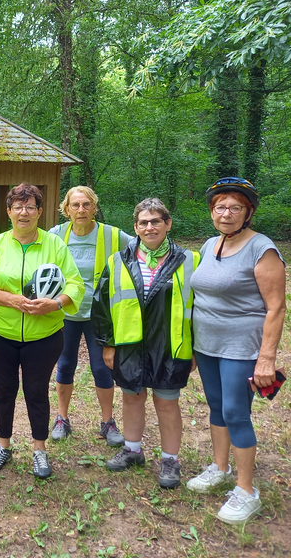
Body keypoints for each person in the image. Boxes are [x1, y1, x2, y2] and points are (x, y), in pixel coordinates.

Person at [187, 177, 286, 524]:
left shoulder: (262, 248)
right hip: (208, 344)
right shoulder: (211, 243)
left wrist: (267, 357)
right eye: (220, 207)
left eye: (235, 208)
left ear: (248, 212)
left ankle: (246, 491)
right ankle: (220, 467)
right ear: (212, 212)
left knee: (235, 412)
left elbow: (276, 307)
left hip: (241, 346)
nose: (226, 213)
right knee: (216, 406)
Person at [92, 198, 200, 489]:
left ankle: (170, 460)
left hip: (170, 344)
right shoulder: (118, 261)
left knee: (166, 403)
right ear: (136, 227)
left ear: (168, 224)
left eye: (156, 221)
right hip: (130, 344)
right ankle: (133, 449)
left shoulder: (190, 260)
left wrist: (196, 349)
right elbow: (102, 304)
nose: (150, 227)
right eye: (143, 222)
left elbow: (200, 308)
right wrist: (108, 344)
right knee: (131, 397)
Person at [0, 183, 85, 478]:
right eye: (17, 207)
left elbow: (76, 284)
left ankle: (39, 449)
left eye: (30, 207)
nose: (23, 212)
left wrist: (55, 304)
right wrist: (12, 300)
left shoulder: (55, 245)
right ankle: (3, 445)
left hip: (44, 336)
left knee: (36, 391)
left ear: (39, 212)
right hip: (1, 332)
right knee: (4, 391)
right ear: (9, 211)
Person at [49, 186, 133, 446]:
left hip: (99, 314)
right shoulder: (55, 235)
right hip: (65, 313)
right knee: (65, 365)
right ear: (66, 209)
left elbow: (143, 247)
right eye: (75, 205)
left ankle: (108, 422)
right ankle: (62, 419)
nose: (81, 210)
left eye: (86, 204)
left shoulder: (114, 236)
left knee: (102, 367)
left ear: (95, 207)